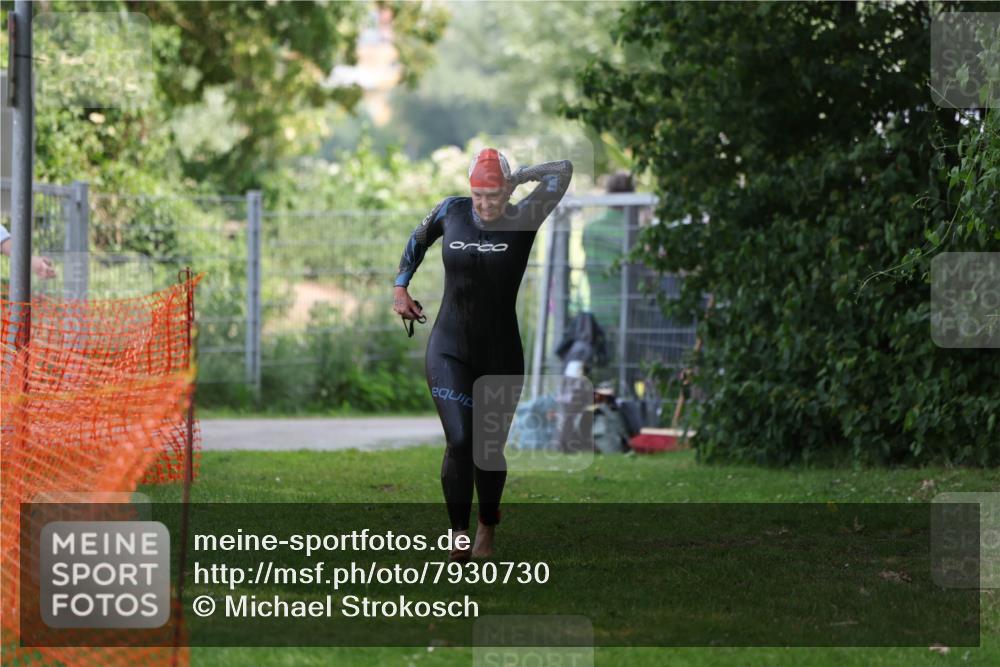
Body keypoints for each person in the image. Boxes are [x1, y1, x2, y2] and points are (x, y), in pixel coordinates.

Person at [392, 148, 573, 562]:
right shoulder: (451, 211)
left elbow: (562, 170)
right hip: (449, 348)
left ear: (507, 191)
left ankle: (486, 528)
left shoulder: (526, 216)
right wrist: (401, 287)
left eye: (494, 195)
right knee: (460, 440)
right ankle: (458, 536)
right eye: (479, 196)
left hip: (500, 353)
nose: (486, 204)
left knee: (487, 450)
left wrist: (520, 174)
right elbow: (417, 239)